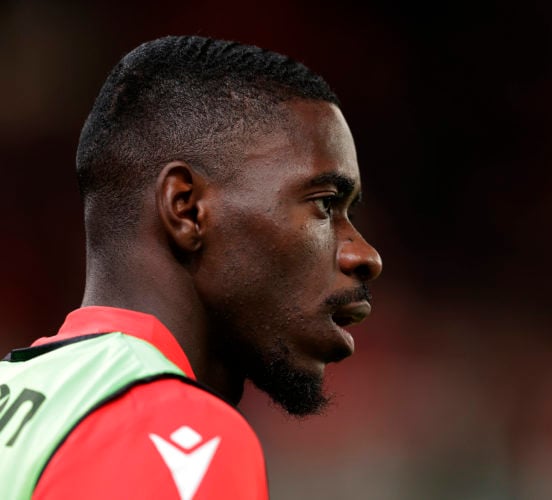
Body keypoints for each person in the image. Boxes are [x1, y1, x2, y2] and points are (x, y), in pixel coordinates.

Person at [0, 34, 382, 499]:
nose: (364, 255)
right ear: (186, 209)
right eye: (324, 204)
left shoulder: (21, 403)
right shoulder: (177, 432)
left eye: (351, 213)